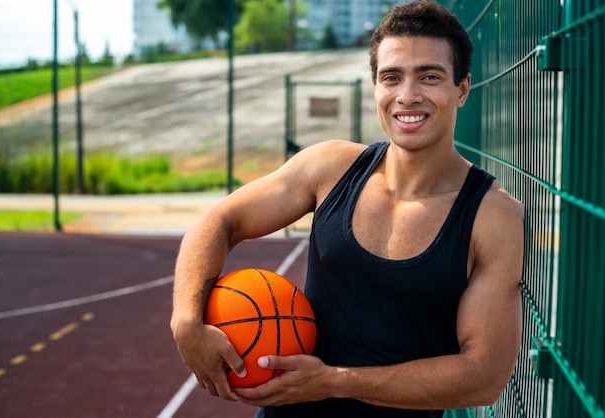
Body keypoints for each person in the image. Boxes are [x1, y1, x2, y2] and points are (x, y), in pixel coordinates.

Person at [170, 1, 524, 417]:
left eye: (429, 76)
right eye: (392, 77)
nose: (407, 96)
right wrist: (186, 320)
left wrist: (333, 382)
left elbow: (485, 375)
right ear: (375, 86)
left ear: (461, 89)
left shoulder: (492, 216)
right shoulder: (331, 167)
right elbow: (220, 220)